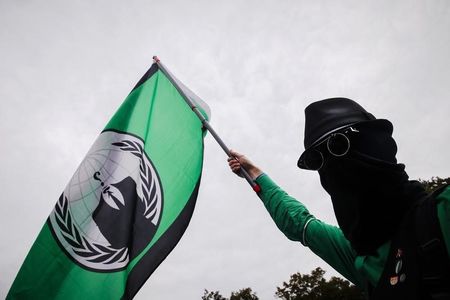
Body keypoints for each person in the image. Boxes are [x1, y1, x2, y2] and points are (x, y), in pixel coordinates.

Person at [227, 98, 450, 300]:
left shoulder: (442, 213)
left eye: (340, 145)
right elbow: (298, 223)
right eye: (321, 161)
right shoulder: (361, 258)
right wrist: (253, 172)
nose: (338, 171)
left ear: (376, 144)